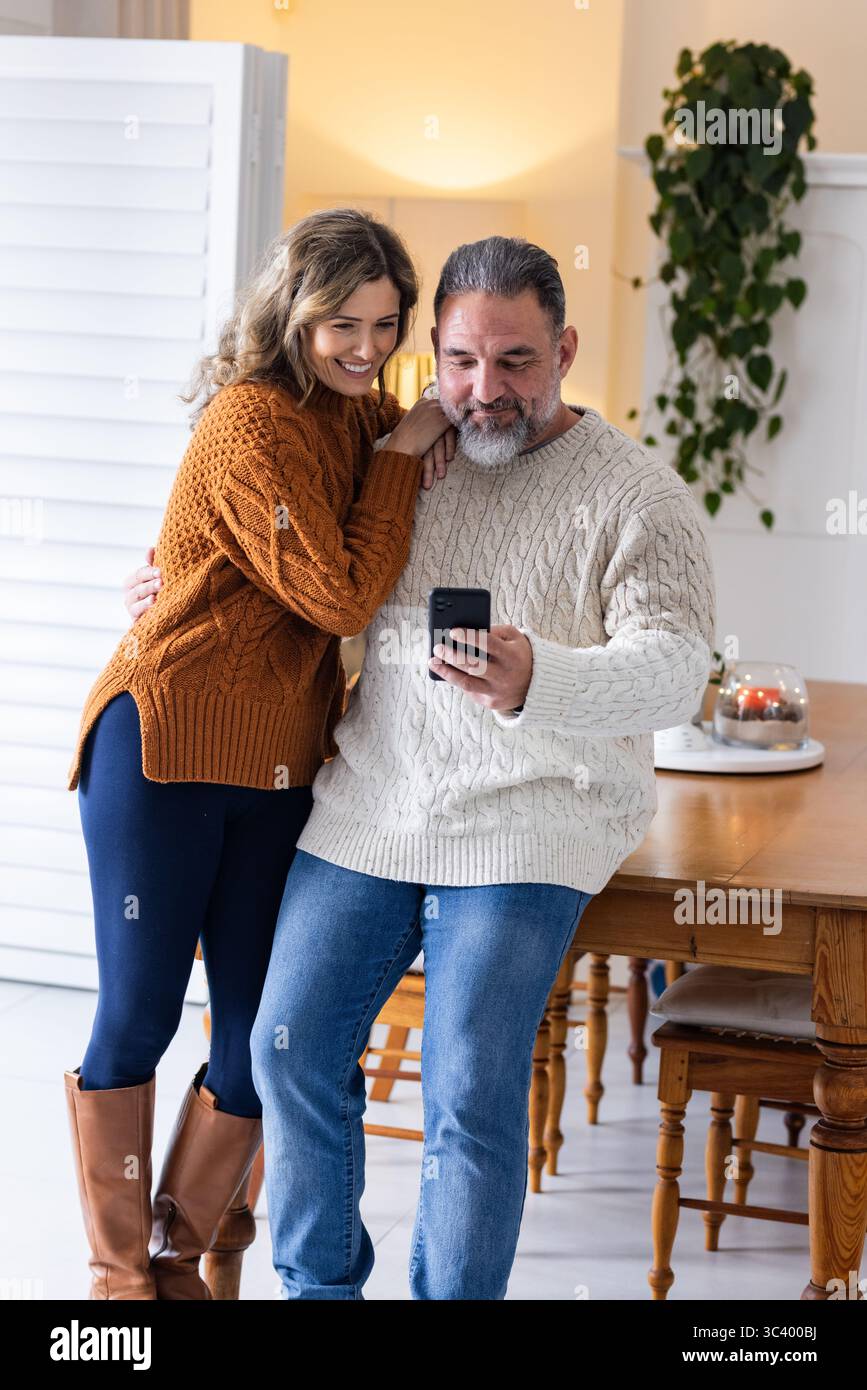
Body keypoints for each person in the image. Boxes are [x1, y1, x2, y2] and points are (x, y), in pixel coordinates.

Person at [127, 235, 716, 1300]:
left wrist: (544, 677)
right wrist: (173, 593)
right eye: (459, 361)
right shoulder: (394, 458)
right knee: (286, 1046)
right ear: (430, 356)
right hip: (374, 801)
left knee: (469, 1087)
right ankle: (320, 1286)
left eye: (516, 362)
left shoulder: (637, 494)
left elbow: (678, 671)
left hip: (538, 814)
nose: (486, 391)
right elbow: (288, 572)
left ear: (566, 349)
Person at [63, 207, 454, 1301]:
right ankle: (119, 1279)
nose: (368, 347)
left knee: (259, 1040)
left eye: (386, 324)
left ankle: (178, 1253)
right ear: (294, 310)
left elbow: (380, 521)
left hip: (282, 768)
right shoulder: (248, 422)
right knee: (139, 1013)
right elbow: (336, 593)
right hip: (168, 744)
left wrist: (417, 435)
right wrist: (406, 450)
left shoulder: (360, 414)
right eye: (344, 322)